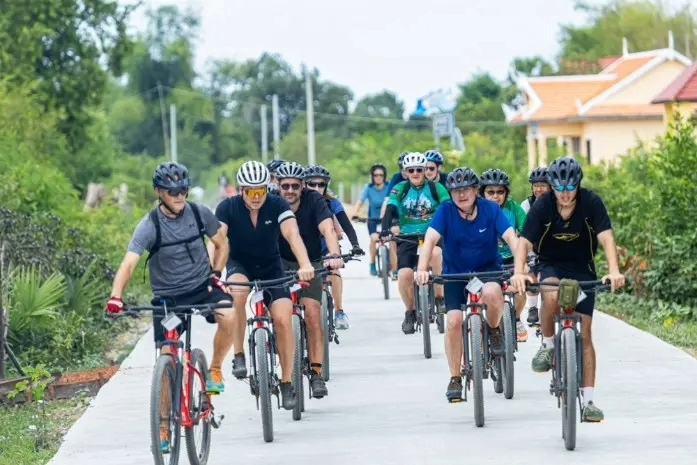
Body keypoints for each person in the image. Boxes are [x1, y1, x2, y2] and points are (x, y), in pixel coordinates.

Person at [106, 162, 234, 452]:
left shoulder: (199, 213)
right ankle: (164, 426)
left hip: (202, 288)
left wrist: (216, 276)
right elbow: (129, 263)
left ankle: (214, 369)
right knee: (167, 355)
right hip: (168, 300)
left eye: (183, 189)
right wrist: (116, 296)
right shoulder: (149, 224)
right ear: (159, 192)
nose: (179, 195)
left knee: (230, 315)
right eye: (172, 191)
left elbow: (222, 243)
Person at [511, 156, 626, 423]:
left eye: (570, 188)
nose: (565, 194)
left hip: (582, 270)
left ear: (578, 185)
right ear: (551, 186)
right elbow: (524, 242)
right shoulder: (543, 206)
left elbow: (606, 237)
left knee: (585, 333)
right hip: (551, 265)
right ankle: (549, 345)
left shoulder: (591, 202)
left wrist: (614, 270)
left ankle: (588, 402)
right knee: (551, 292)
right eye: (559, 188)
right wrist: (519, 272)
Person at [214, 160, 315, 410]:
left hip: (271, 265)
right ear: (241, 190)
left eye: (261, 191)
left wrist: (304, 264)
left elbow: (292, 234)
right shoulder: (227, 207)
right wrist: (211, 272)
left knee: (283, 318)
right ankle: (239, 355)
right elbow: (217, 241)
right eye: (251, 192)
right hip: (240, 264)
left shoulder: (277, 204)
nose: (257, 197)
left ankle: (287, 382)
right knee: (237, 293)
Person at [414, 167, 518, 401]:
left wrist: (520, 270)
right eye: (456, 191)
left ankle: (493, 330)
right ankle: (455, 377)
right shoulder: (445, 211)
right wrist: (422, 269)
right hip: (455, 275)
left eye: (466, 190)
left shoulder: (491, 210)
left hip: (488, 271)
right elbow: (430, 240)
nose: (461, 195)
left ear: (475, 191)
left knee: (492, 292)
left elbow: (512, 238)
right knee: (453, 321)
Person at [276, 162, 344, 398]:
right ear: (278, 186)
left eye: (296, 186)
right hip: (279, 264)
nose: (290, 191)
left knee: (313, 312)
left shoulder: (314, 201)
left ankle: (316, 373)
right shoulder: (271, 202)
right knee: (276, 314)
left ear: (303, 186)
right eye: (285, 186)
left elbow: (328, 229)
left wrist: (334, 254)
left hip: (311, 263)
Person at [380, 152, 450, 334]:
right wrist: (385, 229)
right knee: (404, 274)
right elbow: (391, 207)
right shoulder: (400, 188)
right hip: (408, 236)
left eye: (420, 169)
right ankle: (410, 312)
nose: (416, 173)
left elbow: (446, 207)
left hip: (432, 234)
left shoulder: (436, 188)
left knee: (436, 254)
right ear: (406, 171)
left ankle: (440, 297)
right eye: (411, 170)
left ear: (425, 170)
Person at [303, 164, 364, 330]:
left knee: (334, 270)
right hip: (304, 252)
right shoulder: (299, 203)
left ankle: (339, 311)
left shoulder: (333, 203)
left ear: (326, 186)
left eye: (321, 184)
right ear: (304, 184)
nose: (317, 188)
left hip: (326, 249)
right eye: (312, 184)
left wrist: (356, 245)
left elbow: (346, 224)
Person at [479, 168, 529, 342]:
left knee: (520, 286)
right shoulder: (476, 210)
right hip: (485, 260)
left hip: (509, 258)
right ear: (482, 193)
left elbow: (526, 235)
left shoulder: (515, 209)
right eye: (490, 192)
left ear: (507, 193)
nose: (495, 196)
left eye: (500, 192)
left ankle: (515, 318)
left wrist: (526, 259)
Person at [520, 166, 551, 324]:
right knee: (532, 271)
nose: (539, 189)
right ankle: (533, 308)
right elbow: (524, 231)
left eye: (543, 185)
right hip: (533, 245)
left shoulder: (557, 202)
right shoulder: (526, 205)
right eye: (536, 185)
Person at [350, 164, 390, 276]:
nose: (378, 177)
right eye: (376, 175)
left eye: (381, 175)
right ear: (372, 176)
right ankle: (372, 264)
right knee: (374, 239)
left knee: (392, 240)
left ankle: (392, 264)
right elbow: (360, 201)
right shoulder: (369, 188)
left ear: (384, 176)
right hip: (372, 220)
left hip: (386, 219)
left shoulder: (389, 187)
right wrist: (355, 213)